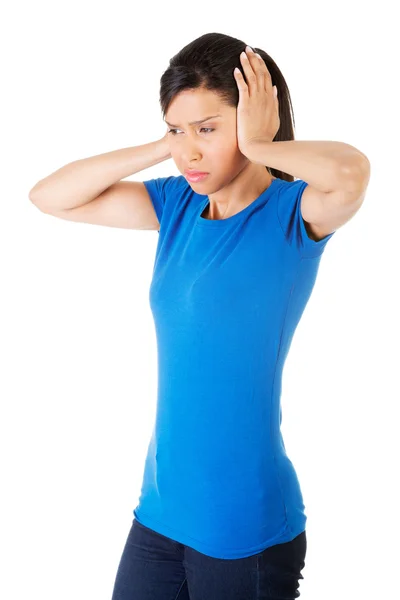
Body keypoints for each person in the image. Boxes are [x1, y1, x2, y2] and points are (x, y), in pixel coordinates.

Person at [29, 31, 369, 600]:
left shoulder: (295, 214)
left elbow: (353, 173)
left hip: (245, 527)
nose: (191, 152)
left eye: (209, 129)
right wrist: (171, 143)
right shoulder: (175, 206)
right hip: (160, 510)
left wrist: (259, 146)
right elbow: (50, 196)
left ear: (258, 118)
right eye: (177, 129)